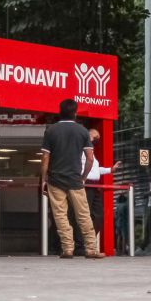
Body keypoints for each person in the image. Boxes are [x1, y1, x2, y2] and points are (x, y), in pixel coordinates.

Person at [40, 99, 104, 259]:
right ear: (75, 113)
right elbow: (90, 158)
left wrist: (44, 178)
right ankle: (91, 249)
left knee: (60, 215)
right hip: (75, 180)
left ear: (60, 112)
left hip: (55, 179)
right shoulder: (82, 131)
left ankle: (67, 249)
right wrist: (83, 177)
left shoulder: (51, 131)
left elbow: (45, 158)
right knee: (83, 214)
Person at [72, 128, 121, 255]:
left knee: (98, 215)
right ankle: (80, 245)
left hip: (94, 185)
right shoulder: (80, 149)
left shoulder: (90, 151)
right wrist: (81, 179)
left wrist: (111, 169)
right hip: (85, 184)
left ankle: (88, 241)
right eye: (94, 136)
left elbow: (95, 169)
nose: (96, 139)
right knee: (84, 215)